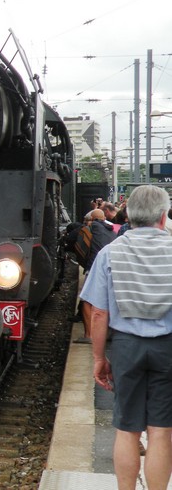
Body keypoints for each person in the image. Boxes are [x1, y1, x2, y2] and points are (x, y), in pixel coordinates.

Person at [80, 185, 172, 490]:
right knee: (161, 431)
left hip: (126, 347)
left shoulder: (110, 253)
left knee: (127, 429)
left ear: (128, 215)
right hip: (167, 348)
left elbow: (98, 313)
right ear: (163, 217)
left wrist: (98, 358)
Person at [76, 208, 116, 343]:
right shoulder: (112, 230)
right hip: (112, 267)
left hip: (95, 267)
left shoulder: (91, 227)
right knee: (108, 300)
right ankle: (108, 332)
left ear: (91, 220)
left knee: (86, 300)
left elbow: (76, 242)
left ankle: (89, 335)